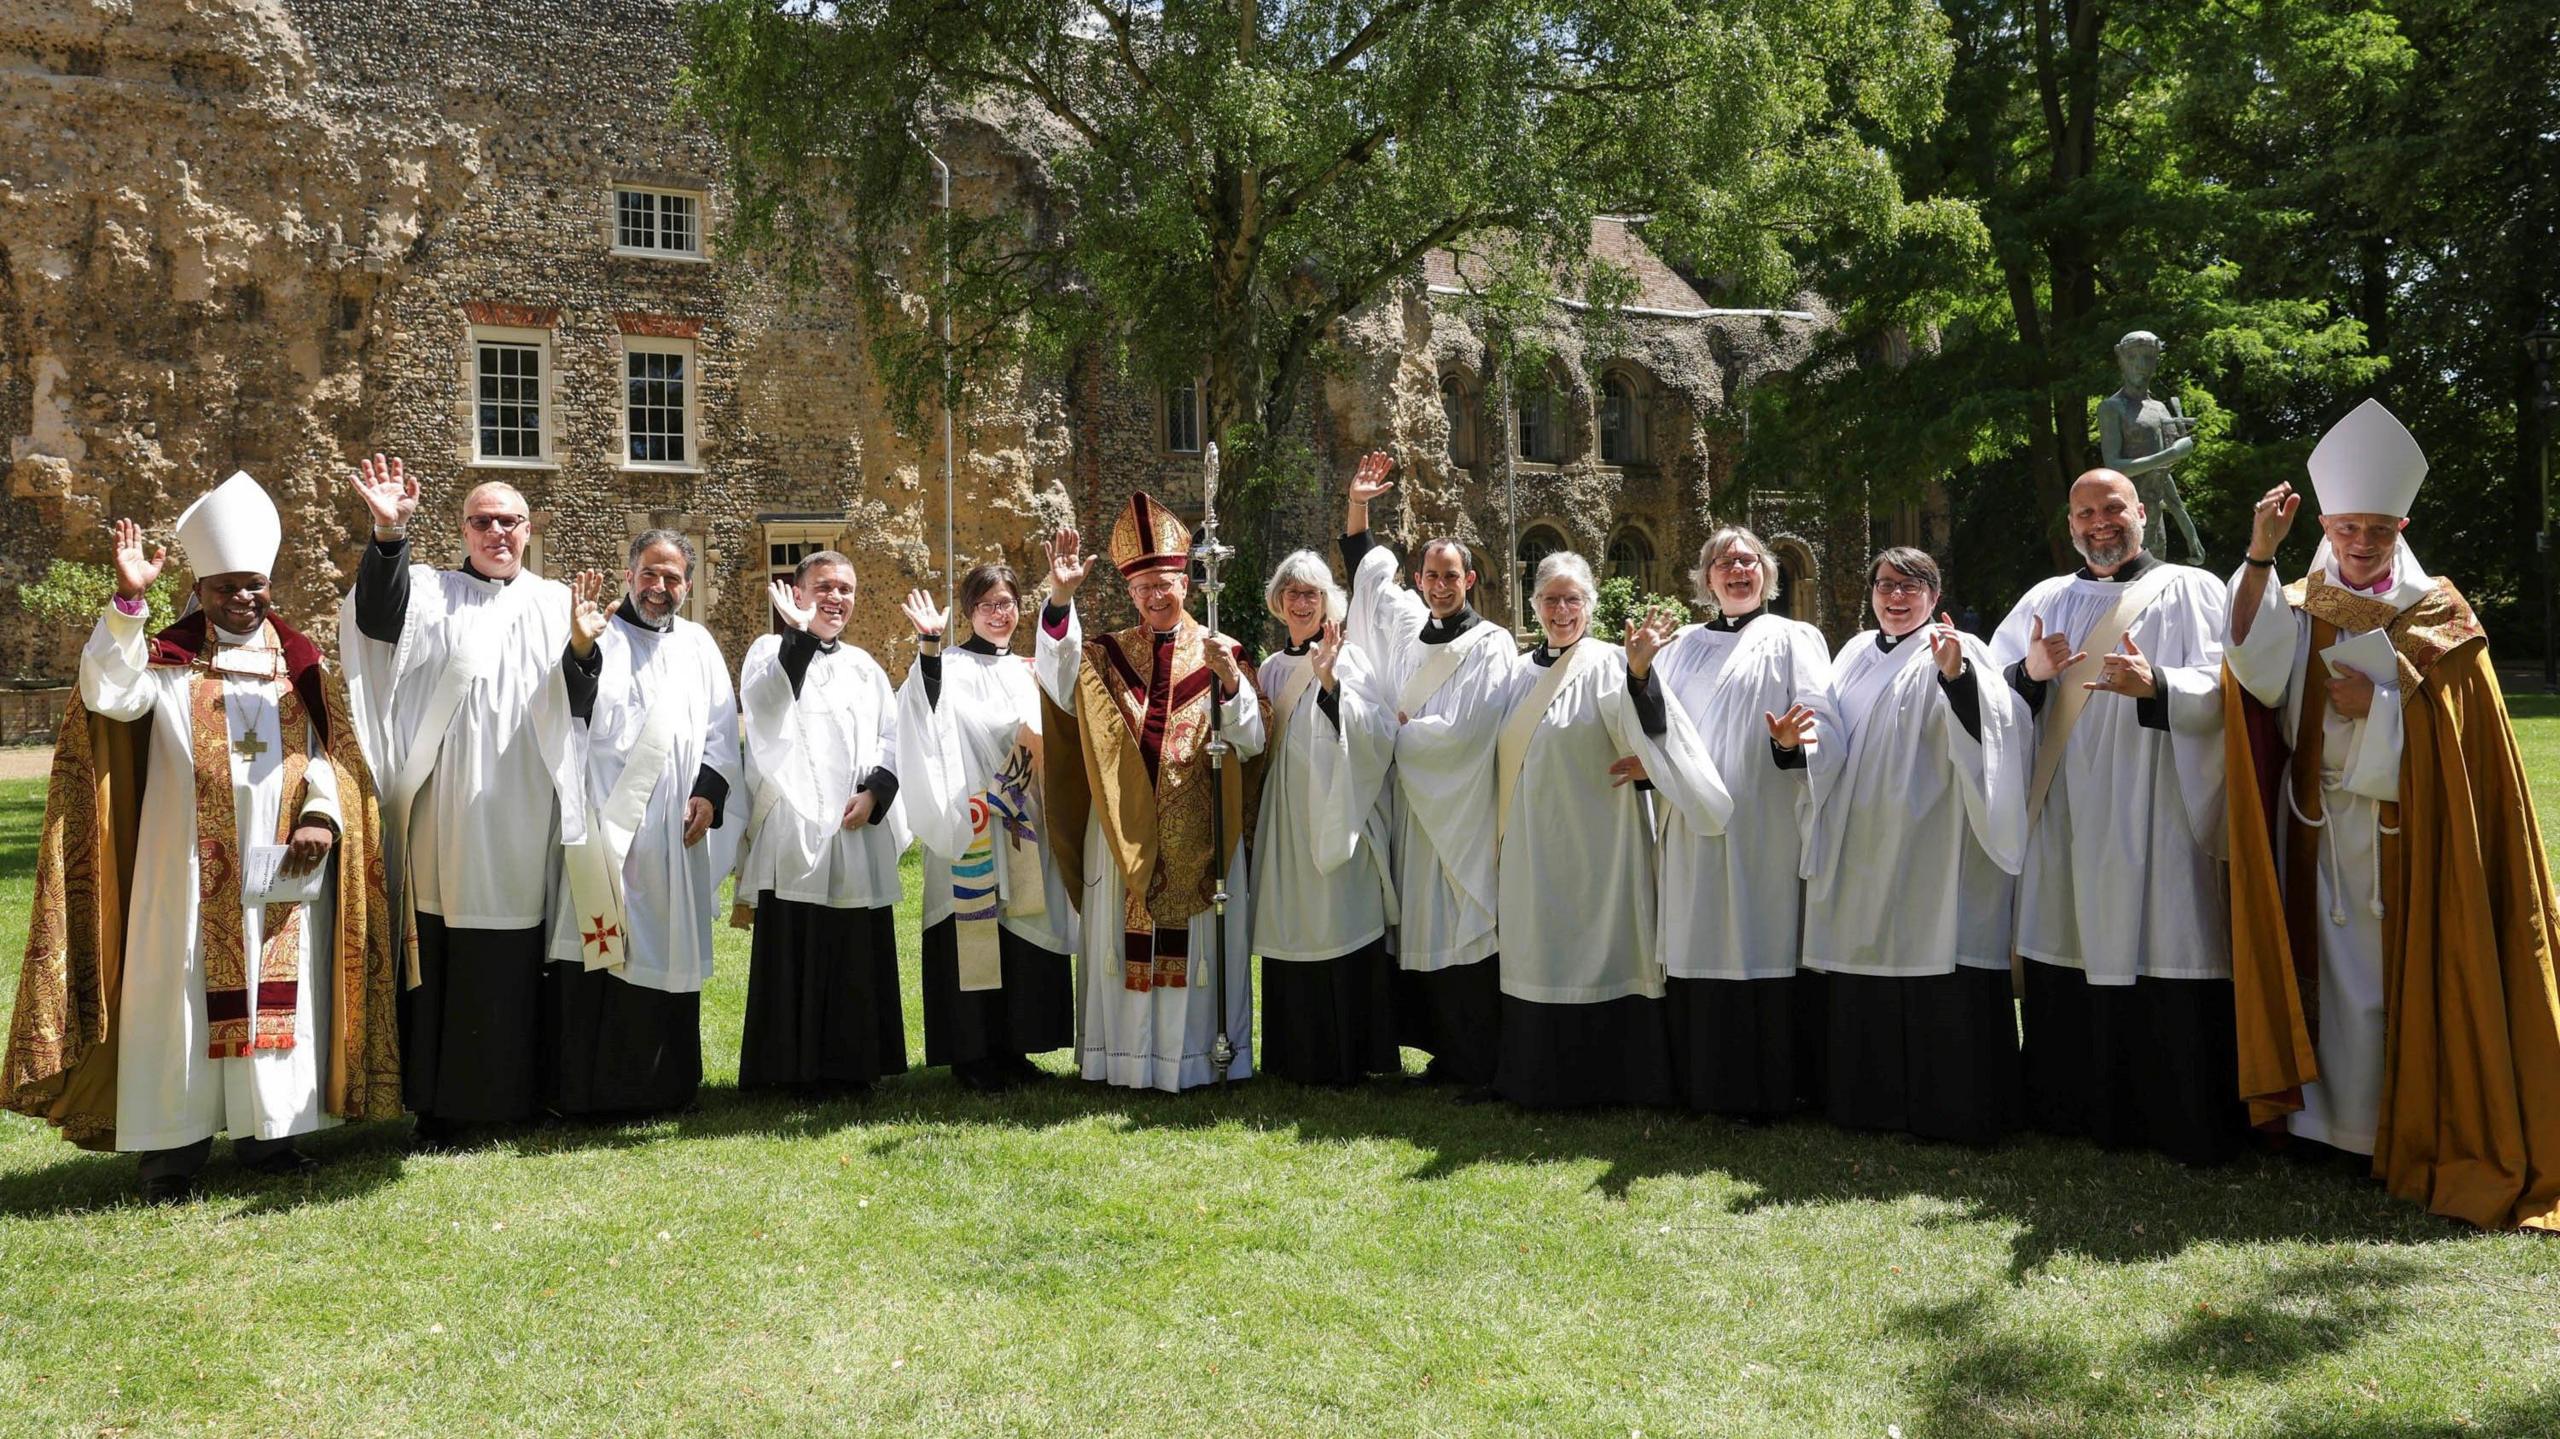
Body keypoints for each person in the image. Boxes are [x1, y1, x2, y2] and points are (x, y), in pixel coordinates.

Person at [4, 475, 402, 1201]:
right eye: (225, 587)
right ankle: (170, 1152)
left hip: (278, 872)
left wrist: (320, 813)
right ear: (199, 586)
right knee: (176, 1000)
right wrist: (128, 604)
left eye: (254, 585)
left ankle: (270, 1138)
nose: (243, 600)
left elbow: (332, 755)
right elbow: (107, 693)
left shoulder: (302, 664)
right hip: (178, 870)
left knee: (279, 994)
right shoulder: (163, 659)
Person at [2224, 398, 2560, 1230]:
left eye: (2377, 529)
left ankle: (2397, 1128)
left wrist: (2377, 703)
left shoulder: (2439, 612)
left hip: (2411, 832)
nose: (2361, 545)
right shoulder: (2297, 598)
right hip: (2316, 822)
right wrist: (2260, 557)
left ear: (2402, 524)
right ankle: (2324, 1127)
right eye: (2345, 529)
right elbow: (2252, 668)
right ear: (2326, 525)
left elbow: (2462, 742)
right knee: (2329, 980)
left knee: (2385, 983)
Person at [1987, 469, 2242, 1164]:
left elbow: (2230, 682)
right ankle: (2067, 1108)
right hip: (2067, 807)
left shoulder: (2194, 588)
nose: (2099, 523)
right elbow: (1988, 694)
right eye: (2084, 513)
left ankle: (2174, 1116)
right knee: (2067, 935)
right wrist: (2027, 675)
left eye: (2112, 509)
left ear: (2143, 511)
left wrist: (2158, 683)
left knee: (2166, 930)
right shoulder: (2047, 597)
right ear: (2069, 525)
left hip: (2156, 803)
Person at [337, 455, 592, 1148]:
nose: (496, 532)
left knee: (522, 949)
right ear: (463, 529)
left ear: (529, 528)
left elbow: (584, 701)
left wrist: (586, 654)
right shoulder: (430, 589)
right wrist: (388, 535)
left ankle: (522, 1095)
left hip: (527, 807)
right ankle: (442, 1105)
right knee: (444, 950)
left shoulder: (554, 601)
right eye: (482, 521)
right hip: (446, 810)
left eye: (508, 521)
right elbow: (377, 617)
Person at [1035, 494, 1266, 1091]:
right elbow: (1061, 688)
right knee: (1120, 941)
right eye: (1141, 589)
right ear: (1129, 593)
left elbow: (1253, 738)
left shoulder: (1224, 650)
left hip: (1203, 827)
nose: (1154, 597)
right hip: (1122, 833)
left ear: (1186, 582)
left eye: (1163, 584)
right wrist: (1060, 601)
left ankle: (1196, 1060)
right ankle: (1125, 1061)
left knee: (1200, 951)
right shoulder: (1109, 655)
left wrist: (1231, 681)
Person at [1801, 548, 2032, 1145]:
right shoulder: (1852, 652)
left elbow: (2001, 728)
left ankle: (1947, 1108)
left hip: (1935, 841)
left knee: (1937, 957)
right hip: (1862, 841)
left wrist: (1956, 679)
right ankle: (1868, 1102)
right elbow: (1825, 732)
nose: (1895, 597)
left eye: (1910, 587)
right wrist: (1791, 745)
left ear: (1934, 596)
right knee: (1866, 964)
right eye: (1885, 585)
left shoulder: (1962, 647)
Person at [1492, 553, 1728, 1108]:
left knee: (1603, 943)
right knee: (1537, 947)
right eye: (1550, 599)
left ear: (1590, 606)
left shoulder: (1608, 663)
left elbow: (1648, 727)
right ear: (1535, 607)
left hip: (1600, 837)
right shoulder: (1519, 674)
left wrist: (1641, 674)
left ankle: (1614, 1079)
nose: (1561, 610)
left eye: (1573, 599)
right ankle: (1536, 1078)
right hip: (1530, 840)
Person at [542, 530, 740, 1120]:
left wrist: (710, 791)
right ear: (629, 575)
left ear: (688, 584)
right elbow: (566, 708)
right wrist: (579, 650)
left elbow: (721, 732)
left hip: (674, 834)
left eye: (673, 578)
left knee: (663, 953)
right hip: (608, 826)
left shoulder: (700, 643)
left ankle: (665, 1087)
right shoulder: (602, 635)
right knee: (600, 953)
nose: (660, 588)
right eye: (650, 574)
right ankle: (590, 1093)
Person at [1644, 526, 1839, 1121]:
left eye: (1748, 561)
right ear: (1707, 579)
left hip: (1763, 822)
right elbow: (1654, 723)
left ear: (1767, 574)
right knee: (1697, 937)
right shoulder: (1679, 648)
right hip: (1692, 825)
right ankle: (1700, 1085)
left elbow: (1824, 719)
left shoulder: (1793, 637)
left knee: (1760, 939)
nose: (1737, 569)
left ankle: (1770, 1088)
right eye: (1724, 562)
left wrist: (1791, 746)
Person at [1339, 455, 1517, 1093]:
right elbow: (1369, 587)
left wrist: (1394, 732)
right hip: (1418, 812)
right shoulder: (1414, 633)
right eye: (1431, 576)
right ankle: (1442, 1053)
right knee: (1422, 928)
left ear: (1470, 579)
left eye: (1452, 576)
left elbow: (1470, 731)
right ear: (1421, 579)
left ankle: (1477, 1058)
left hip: (1460, 808)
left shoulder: (1492, 643)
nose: (1441, 586)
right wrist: (1359, 506)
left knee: (1466, 925)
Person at [894, 564, 1076, 1093]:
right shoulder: (946, 663)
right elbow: (922, 712)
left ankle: (1015, 1048)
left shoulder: (1027, 669)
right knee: (972, 933)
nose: (1002, 613)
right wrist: (928, 647)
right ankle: (971, 1054)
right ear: (970, 610)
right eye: (990, 604)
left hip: (1021, 820)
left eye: (1009, 603)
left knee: (1020, 931)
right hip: (968, 820)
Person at [734, 552, 908, 1096]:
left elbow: (891, 736)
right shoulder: (771, 648)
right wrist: (797, 636)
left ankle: (852, 1067)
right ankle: (787, 1070)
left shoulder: (865, 667)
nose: (836, 598)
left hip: (854, 826)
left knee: (852, 946)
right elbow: (764, 708)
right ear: (799, 592)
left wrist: (876, 791)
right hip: (794, 830)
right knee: (797, 948)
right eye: (825, 587)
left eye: (847, 589)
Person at [1250, 549, 1399, 1085]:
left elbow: (1379, 734)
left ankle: (1349, 1057)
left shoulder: (1350, 657)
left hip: (1336, 815)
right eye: (1292, 593)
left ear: (1327, 603)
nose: (1300, 602)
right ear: (1279, 602)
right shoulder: (1270, 669)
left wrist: (1332, 684)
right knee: (1292, 926)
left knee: (1338, 922)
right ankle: (1293, 1056)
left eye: (1311, 594)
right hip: (1286, 822)